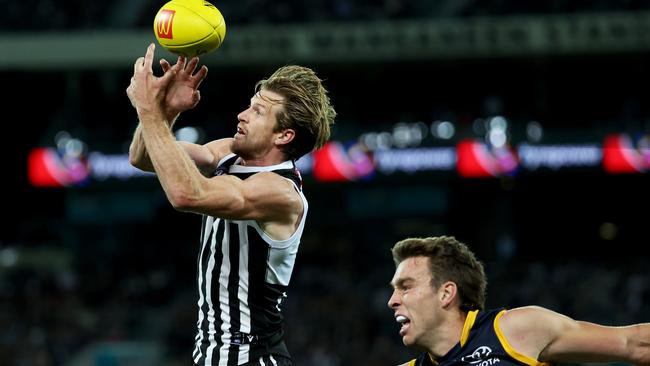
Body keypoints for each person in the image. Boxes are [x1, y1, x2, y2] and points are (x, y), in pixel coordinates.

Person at [126, 43, 336, 366]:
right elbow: (143, 157)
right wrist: (165, 111)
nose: (242, 115)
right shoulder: (228, 153)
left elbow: (187, 194)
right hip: (210, 356)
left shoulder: (281, 193)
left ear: (283, 136)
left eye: (258, 112)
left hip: (252, 358)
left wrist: (148, 110)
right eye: (250, 106)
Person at [388, 235, 650, 366]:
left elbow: (633, 343)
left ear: (446, 293)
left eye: (405, 287)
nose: (392, 300)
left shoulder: (513, 331)